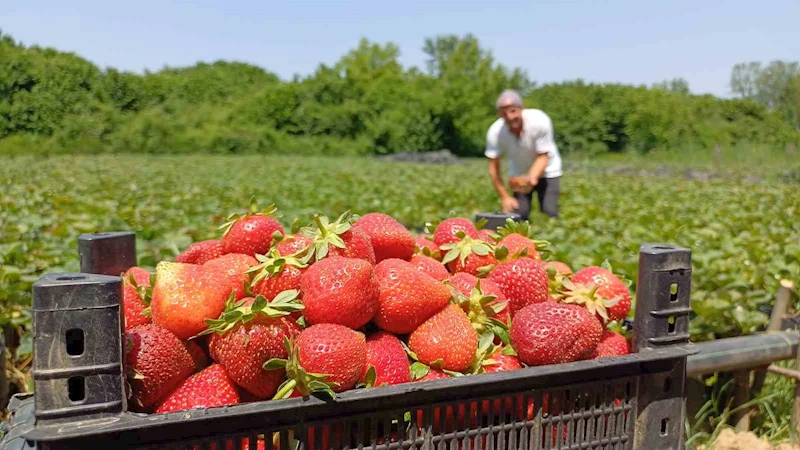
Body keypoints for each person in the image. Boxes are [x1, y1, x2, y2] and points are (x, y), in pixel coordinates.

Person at [485, 89, 562, 219]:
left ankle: (550, 236)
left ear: (521, 108)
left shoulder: (539, 120)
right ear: (499, 114)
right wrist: (505, 197)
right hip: (519, 173)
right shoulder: (495, 132)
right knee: (518, 214)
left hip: (548, 170)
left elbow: (543, 156)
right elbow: (493, 167)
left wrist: (531, 178)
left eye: (513, 111)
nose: (509, 117)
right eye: (504, 113)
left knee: (549, 211)